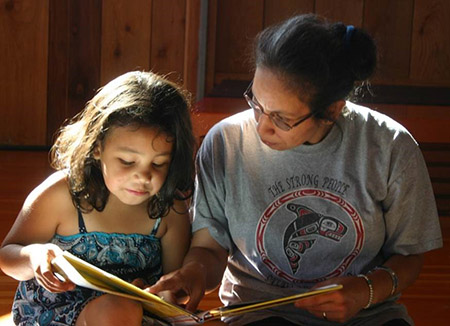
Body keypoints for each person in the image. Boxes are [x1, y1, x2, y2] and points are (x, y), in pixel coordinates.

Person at [149, 14, 443, 326]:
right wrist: (193, 273)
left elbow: (410, 256)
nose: (262, 127)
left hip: (368, 315)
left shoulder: (389, 146)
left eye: (282, 119)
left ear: (331, 111)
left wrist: (366, 291)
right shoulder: (226, 142)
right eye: (256, 103)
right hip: (262, 313)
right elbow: (209, 246)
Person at [0, 71, 196, 326]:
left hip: (136, 315)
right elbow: (7, 255)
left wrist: (158, 294)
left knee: (121, 310)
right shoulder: (63, 195)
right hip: (57, 313)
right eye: (127, 161)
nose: (144, 176)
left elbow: (174, 287)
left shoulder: (168, 209)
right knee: (115, 311)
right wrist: (34, 257)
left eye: (159, 163)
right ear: (97, 147)